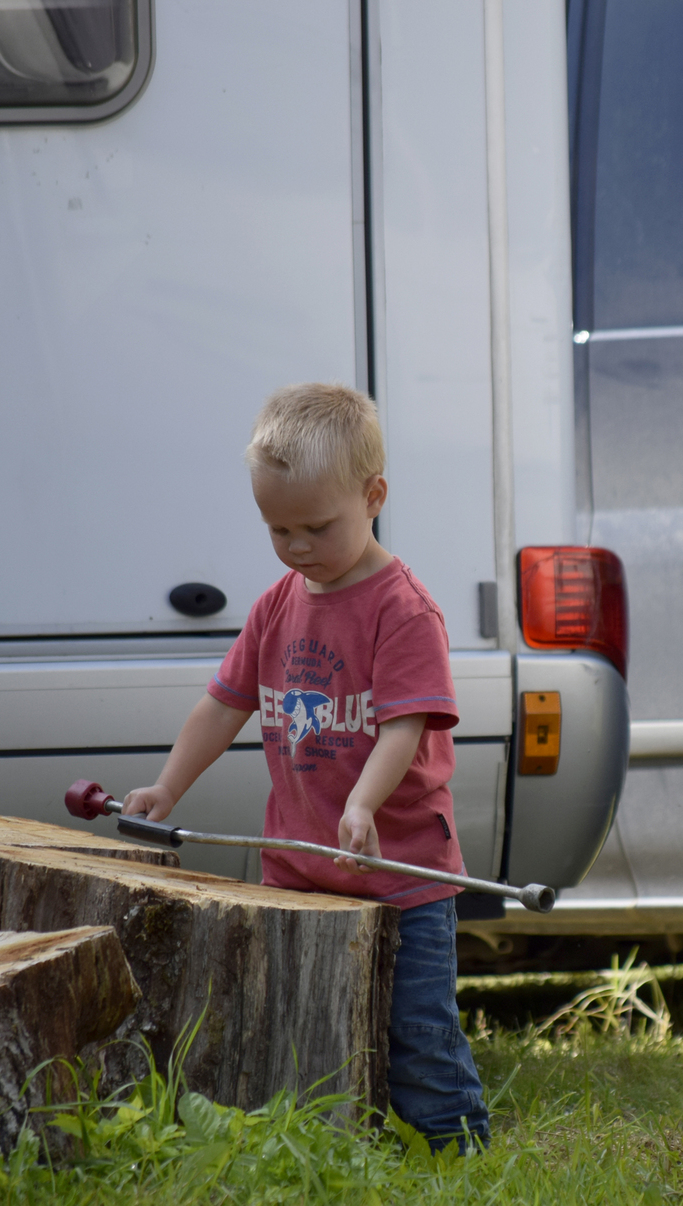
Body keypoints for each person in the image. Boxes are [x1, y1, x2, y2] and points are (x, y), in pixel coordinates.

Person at [122, 382, 489, 1150]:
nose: (296, 547)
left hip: (401, 875)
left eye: (317, 527)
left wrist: (362, 805)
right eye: (277, 529)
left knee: (417, 1037)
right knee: (299, 1031)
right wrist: (167, 785)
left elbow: (404, 726)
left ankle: (458, 1154)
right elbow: (222, 705)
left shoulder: (403, 609)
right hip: (298, 873)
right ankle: (328, 1152)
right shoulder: (276, 606)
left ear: (374, 496)